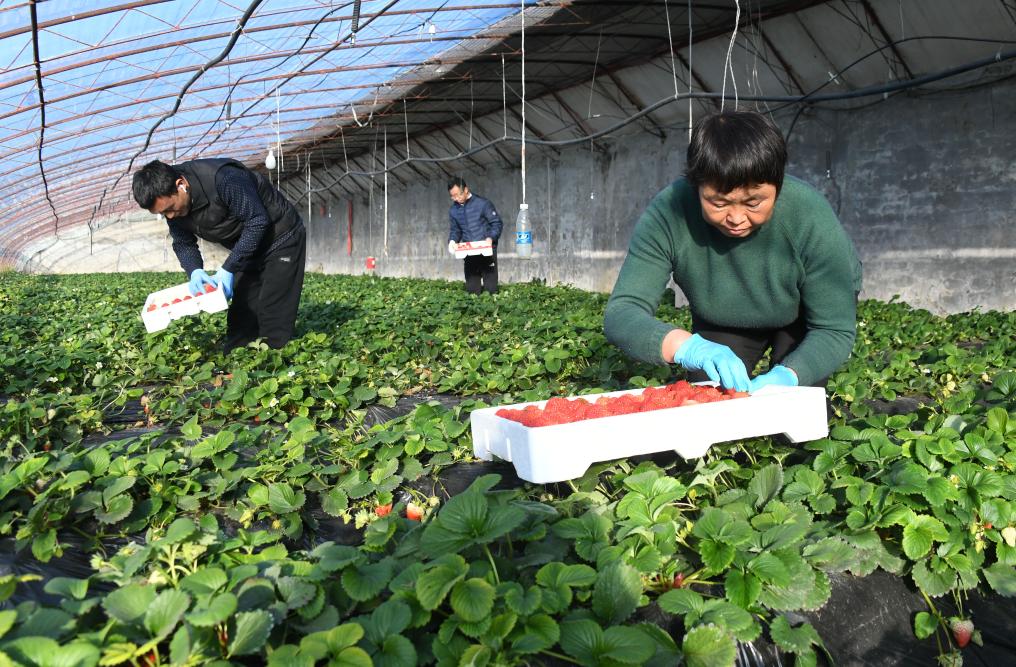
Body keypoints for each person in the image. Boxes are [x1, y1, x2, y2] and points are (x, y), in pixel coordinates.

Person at [604, 110, 862, 394]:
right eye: (719, 203)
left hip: (803, 312)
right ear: (696, 186)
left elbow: (833, 329)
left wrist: (790, 374)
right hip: (724, 316)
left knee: (794, 407)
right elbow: (623, 312)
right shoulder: (669, 213)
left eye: (753, 203)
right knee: (710, 400)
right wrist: (686, 346)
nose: (736, 218)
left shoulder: (809, 215)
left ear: (778, 186)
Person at [132, 158, 307, 352]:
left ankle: (273, 358)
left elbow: (257, 221)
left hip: (281, 237)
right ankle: (235, 358)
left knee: (273, 308)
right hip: (247, 246)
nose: (170, 216)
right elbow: (183, 243)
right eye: (164, 213)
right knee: (242, 312)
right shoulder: (173, 207)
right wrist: (195, 270)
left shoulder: (225, 179)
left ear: (181, 185)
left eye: (170, 209)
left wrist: (229, 268)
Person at [447, 177, 502, 294]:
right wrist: (452, 241)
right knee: (472, 290)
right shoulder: (453, 210)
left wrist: (490, 238)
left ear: (466, 190)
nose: (456, 199)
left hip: (487, 251)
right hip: (469, 253)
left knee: (491, 289)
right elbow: (455, 230)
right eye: (453, 196)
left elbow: (496, 223)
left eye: (458, 195)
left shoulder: (483, 204)